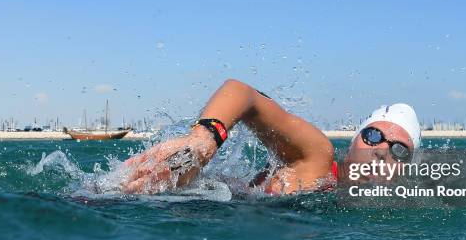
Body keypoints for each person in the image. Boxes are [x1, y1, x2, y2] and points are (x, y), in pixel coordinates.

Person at [122, 79, 421, 195]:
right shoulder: (318, 158)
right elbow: (244, 94)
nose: (382, 149)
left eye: (399, 149)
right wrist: (204, 140)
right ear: (354, 142)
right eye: (373, 135)